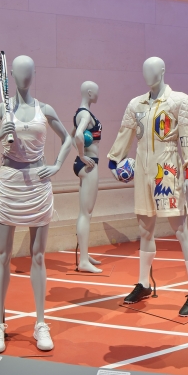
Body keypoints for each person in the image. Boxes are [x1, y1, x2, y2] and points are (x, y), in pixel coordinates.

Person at [0, 55, 73, 353]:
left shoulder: (44, 109)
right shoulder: (1, 109)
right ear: (12, 74)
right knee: (3, 255)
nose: (25, 76)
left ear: (34, 73)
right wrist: (1, 133)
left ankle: (40, 322)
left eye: (29, 71)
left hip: (37, 182)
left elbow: (67, 136)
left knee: (37, 256)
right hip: (9, 181)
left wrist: (58, 164)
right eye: (20, 71)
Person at [107, 57, 188, 317]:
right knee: (144, 228)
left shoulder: (179, 101)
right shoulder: (135, 104)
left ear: (162, 71)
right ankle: (143, 282)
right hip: (143, 169)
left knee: (180, 228)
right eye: (144, 69)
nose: (147, 73)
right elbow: (125, 132)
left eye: (152, 69)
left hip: (167, 170)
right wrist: (114, 160)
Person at [72, 81, 104, 273]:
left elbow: (71, 137)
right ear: (90, 92)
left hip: (83, 164)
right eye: (97, 91)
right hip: (89, 165)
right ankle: (83, 260)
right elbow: (77, 135)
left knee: (84, 212)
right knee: (86, 213)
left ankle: (84, 254)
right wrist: (83, 155)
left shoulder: (81, 113)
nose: (98, 94)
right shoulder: (85, 114)